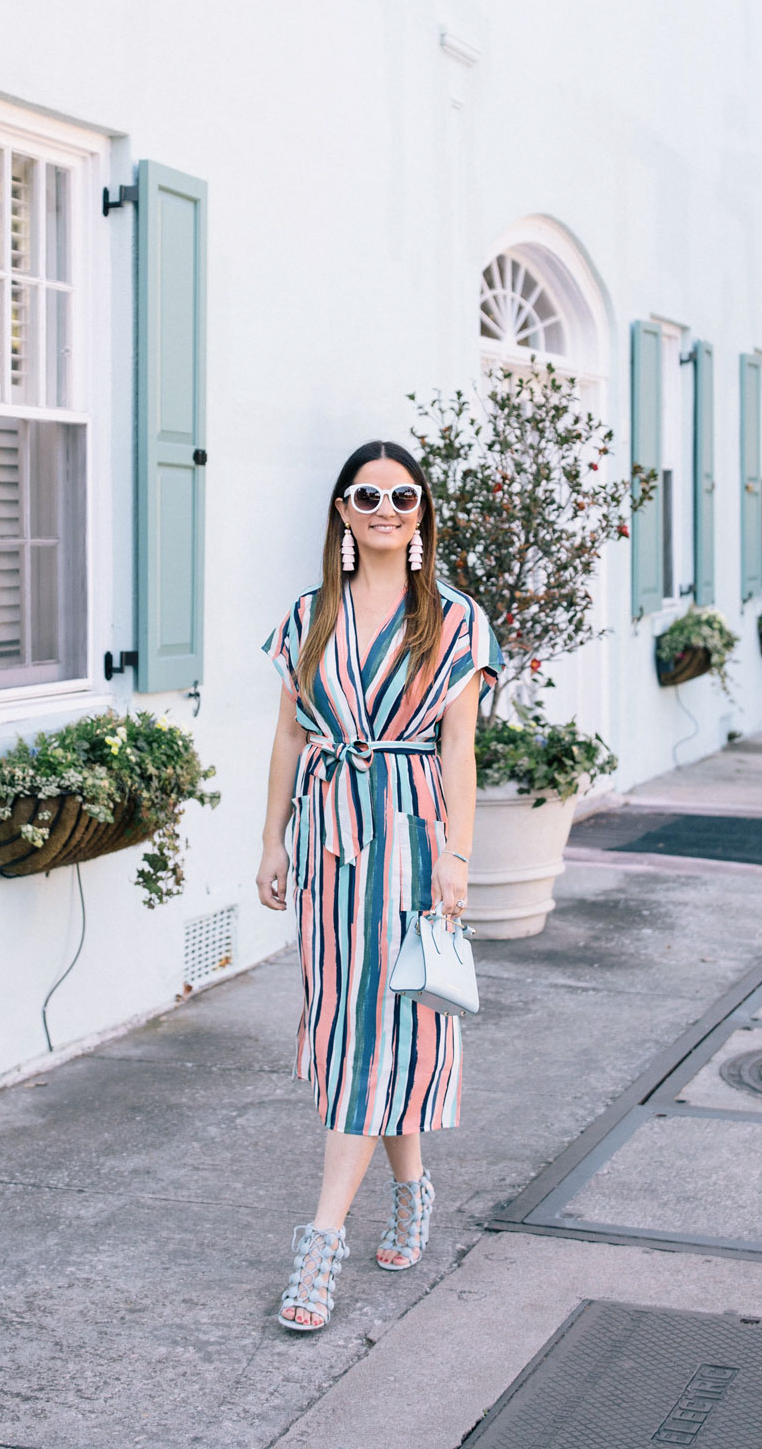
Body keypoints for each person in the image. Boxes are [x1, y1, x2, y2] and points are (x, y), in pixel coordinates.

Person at [258, 440, 501, 1332]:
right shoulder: (308, 617)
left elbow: (460, 752)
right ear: (342, 511)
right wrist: (272, 839)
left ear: (423, 511)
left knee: (382, 1024)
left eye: (405, 495)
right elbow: (289, 737)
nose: (387, 508)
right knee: (356, 1023)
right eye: (368, 495)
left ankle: (320, 1243)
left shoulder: (455, 621)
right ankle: (412, 1189)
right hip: (329, 846)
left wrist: (458, 859)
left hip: (410, 839)